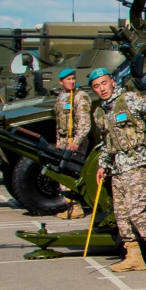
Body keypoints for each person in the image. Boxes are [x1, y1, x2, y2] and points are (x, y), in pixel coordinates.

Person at [90, 68, 146, 273]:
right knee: (121, 214)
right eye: (97, 86)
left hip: (136, 165)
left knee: (136, 212)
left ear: (111, 82)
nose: (102, 89)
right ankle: (133, 255)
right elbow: (106, 142)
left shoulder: (129, 100)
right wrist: (103, 164)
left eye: (104, 83)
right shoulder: (100, 112)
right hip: (117, 169)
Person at [54, 68, 92, 219]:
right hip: (64, 140)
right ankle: (69, 205)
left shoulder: (79, 97)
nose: (71, 82)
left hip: (76, 141)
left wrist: (76, 142)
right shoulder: (61, 97)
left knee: (72, 172)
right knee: (63, 173)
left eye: (73, 79)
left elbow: (84, 123)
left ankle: (77, 207)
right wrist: (58, 142)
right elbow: (59, 123)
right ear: (61, 82)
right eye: (68, 79)